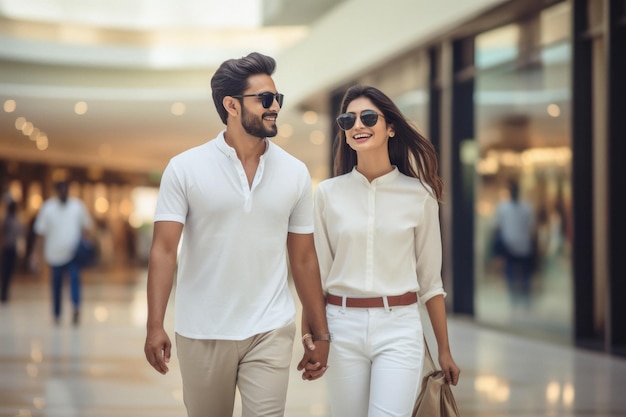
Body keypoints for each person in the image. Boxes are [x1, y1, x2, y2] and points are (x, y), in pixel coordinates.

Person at [143, 52, 330, 417]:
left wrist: (320, 333)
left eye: (277, 98)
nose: (274, 106)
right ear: (231, 105)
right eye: (264, 99)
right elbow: (164, 251)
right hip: (203, 330)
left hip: (270, 328)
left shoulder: (294, 173)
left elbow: (304, 257)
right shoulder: (185, 169)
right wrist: (154, 325)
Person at [308, 85, 460, 417]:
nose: (357, 126)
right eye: (348, 120)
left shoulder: (419, 195)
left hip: (399, 327)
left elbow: (431, 281)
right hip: (341, 325)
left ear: (390, 127)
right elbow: (317, 275)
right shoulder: (327, 195)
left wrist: (443, 350)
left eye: (368, 117)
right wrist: (314, 335)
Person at [30, 180, 93, 324]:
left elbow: (87, 226)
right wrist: (36, 254)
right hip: (54, 254)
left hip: (73, 254)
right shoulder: (48, 208)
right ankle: (57, 313)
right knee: (56, 284)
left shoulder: (77, 206)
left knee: (75, 281)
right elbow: (40, 233)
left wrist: (86, 245)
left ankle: (76, 307)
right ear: (57, 191)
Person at [494, 180, 535, 307]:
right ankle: (517, 301)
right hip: (513, 247)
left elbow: (532, 229)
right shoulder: (506, 208)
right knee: (514, 276)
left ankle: (524, 301)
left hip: (521, 246)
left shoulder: (525, 208)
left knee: (523, 277)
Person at [1, 199, 24, 303]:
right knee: (6, 271)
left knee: (8, 272)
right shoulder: (8, 220)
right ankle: (4, 293)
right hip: (7, 248)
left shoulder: (14, 219)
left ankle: (5, 293)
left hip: (12, 247)